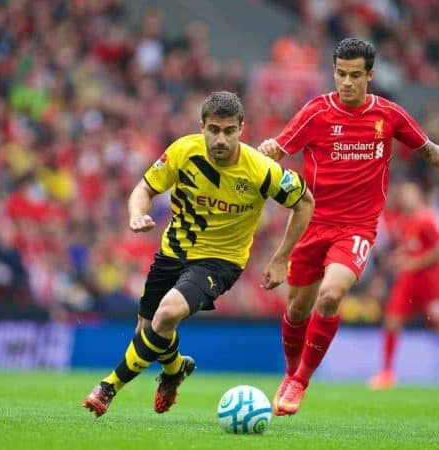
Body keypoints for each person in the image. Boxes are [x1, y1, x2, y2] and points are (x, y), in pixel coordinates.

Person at [257, 37, 439, 416]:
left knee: (330, 296)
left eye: (355, 75)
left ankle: (301, 381)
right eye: (341, 74)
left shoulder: (388, 115)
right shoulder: (316, 113)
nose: (346, 82)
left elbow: (429, 150)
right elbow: (277, 150)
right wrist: (264, 150)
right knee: (297, 311)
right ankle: (290, 372)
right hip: (311, 223)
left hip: (356, 228)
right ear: (334, 71)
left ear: (370, 75)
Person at [83, 91, 314, 417]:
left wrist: (281, 257)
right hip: (172, 252)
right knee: (148, 332)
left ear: (241, 129)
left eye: (229, 131)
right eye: (214, 130)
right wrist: (137, 213)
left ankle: (108, 387)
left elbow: (304, 201)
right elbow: (145, 188)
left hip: (221, 260)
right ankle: (175, 369)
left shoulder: (261, 169)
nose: (221, 139)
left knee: (166, 315)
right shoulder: (182, 151)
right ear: (202, 126)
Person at [368, 180, 439, 390]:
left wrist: (414, 263)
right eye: (404, 195)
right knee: (392, 321)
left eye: (410, 194)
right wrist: (397, 259)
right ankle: (387, 373)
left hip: (429, 282)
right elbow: (413, 249)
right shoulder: (406, 220)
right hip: (408, 280)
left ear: (419, 196)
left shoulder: (428, 218)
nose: (405, 198)